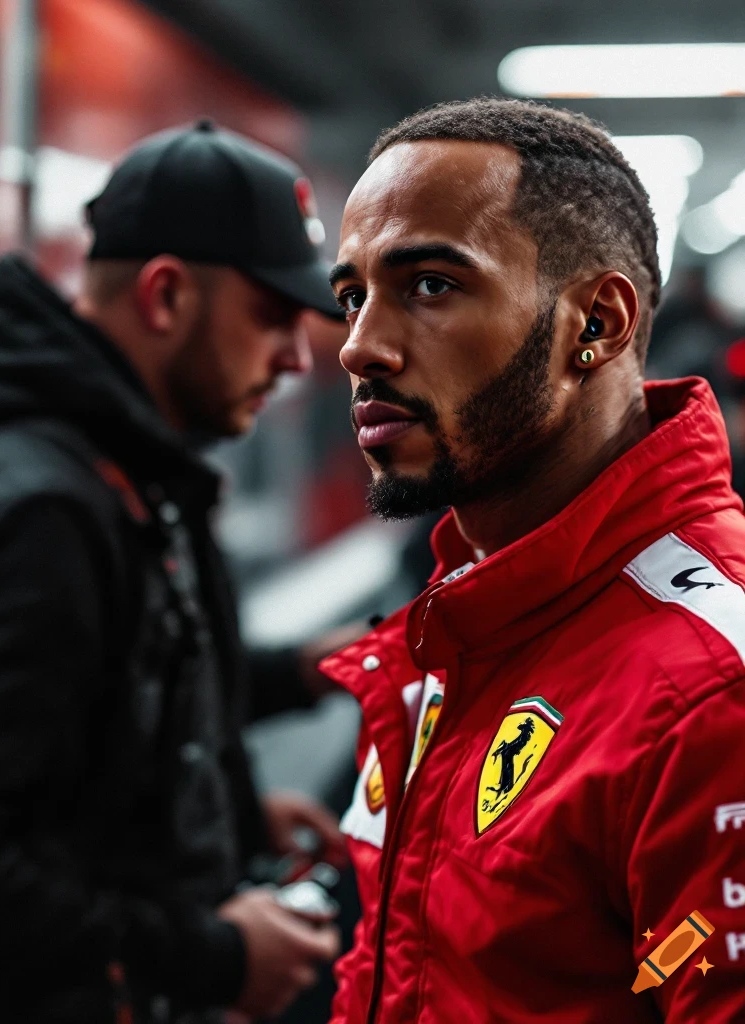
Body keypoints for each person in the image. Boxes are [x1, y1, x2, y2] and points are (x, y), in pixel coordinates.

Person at [320, 98, 745, 1023]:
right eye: (351, 295)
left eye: (429, 284)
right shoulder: (463, 614)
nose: (359, 345)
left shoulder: (713, 692)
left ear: (595, 322)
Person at [0, 120, 346, 1023]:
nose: (299, 359)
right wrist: (215, 958)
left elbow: (114, 688)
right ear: (167, 295)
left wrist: (224, 801)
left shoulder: (133, 467)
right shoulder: (47, 509)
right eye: (270, 314)